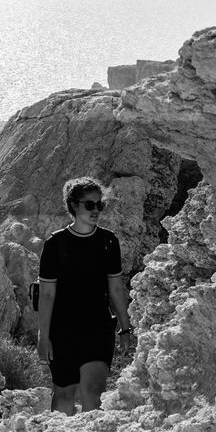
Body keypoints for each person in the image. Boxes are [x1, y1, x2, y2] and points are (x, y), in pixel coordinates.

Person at [35, 176, 134, 414]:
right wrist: (43, 336)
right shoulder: (55, 244)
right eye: (89, 204)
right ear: (73, 205)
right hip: (63, 331)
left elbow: (116, 288)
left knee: (93, 390)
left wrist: (125, 328)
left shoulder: (108, 241)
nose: (95, 210)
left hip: (98, 327)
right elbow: (47, 295)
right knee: (64, 393)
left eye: (99, 204)